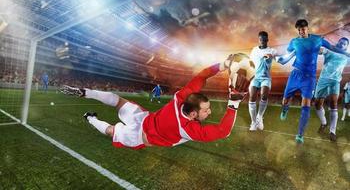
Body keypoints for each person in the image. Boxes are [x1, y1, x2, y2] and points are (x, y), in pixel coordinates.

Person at [60, 58, 246, 149]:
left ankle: (86, 92)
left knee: (118, 101)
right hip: (138, 137)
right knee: (111, 131)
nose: (210, 112)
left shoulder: (181, 98)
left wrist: (223, 64)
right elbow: (223, 131)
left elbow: (202, 76)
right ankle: (90, 118)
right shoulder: (187, 129)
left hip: (144, 118)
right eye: (206, 110)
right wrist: (234, 103)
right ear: (193, 114)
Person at [276, 19, 350, 144]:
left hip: (311, 78)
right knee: (286, 100)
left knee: (307, 105)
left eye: (303, 29)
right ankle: (285, 108)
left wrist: (346, 54)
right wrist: (281, 58)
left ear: (308, 28)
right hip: (296, 74)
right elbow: (289, 53)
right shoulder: (294, 41)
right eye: (299, 30)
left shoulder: (318, 39)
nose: (301, 32)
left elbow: (331, 47)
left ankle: (300, 135)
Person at [314, 37, 349, 141]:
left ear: (346, 47)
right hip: (323, 80)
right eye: (340, 42)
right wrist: (318, 47)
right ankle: (324, 123)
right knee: (317, 105)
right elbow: (320, 50)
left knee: (333, 104)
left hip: (335, 81)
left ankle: (332, 131)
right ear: (337, 43)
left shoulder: (346, 57)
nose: (342, 44)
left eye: (344, 44)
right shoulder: (329, 51)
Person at [248, 31, 277, 131]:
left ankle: (259, 117)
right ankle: (253, 123)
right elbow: (250, 63)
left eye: (264, 40)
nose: (263, 41)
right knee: (252, 97)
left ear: (267, 40)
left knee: (264, 94)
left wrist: (272, 56)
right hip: (255, 77)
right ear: (259, 40)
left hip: (266, 77)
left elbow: (280, 58)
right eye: (261, 40)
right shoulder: (254, 50)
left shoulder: (272, 50)